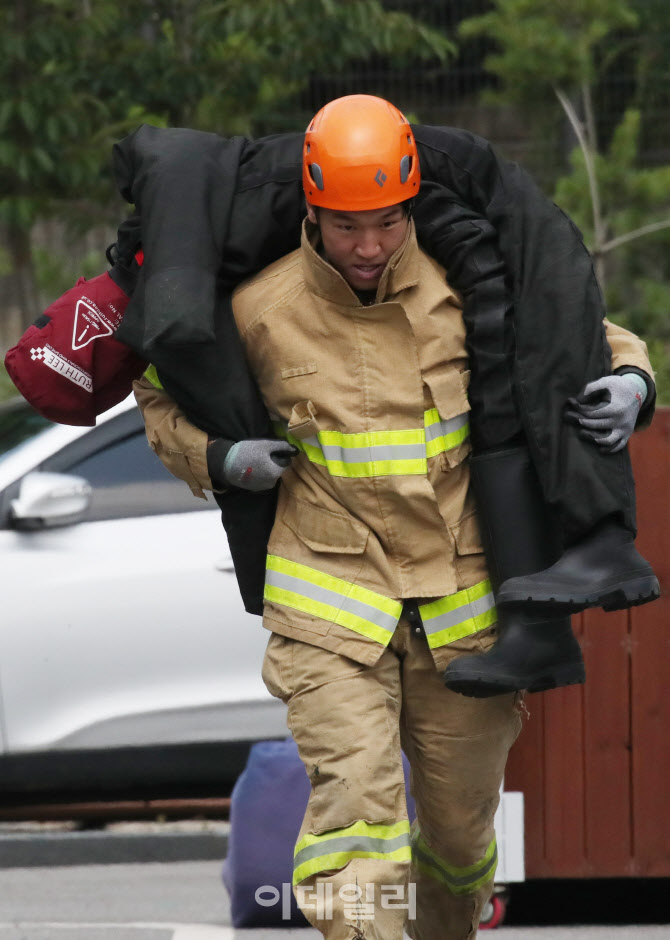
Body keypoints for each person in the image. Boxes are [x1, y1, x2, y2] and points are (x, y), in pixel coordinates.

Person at [132, 95, 655, 938]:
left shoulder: (473, 285)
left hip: (466, 615)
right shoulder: (260, 312)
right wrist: (219, 458)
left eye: (384, 222)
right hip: (329, 612)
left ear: (411, 205)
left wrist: (633, 384)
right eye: (344, 227)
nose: (368, 247)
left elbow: (586, 335)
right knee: (358, 823)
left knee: (455, 838)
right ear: (311, 209)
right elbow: (158, 399)